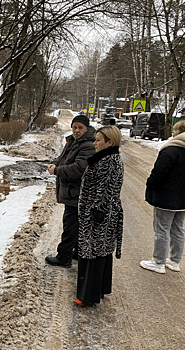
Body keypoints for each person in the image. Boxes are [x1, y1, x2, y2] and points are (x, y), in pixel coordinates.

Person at [140, 120, 185, 274]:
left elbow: (158, 174)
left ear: (180, 132)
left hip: (166, 197)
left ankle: (158, 262)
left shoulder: (171, 150)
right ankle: (174, 261)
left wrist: (150, 185)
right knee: (178, 228)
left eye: (174, 130)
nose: (172, 133)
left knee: (161, 229)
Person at [75, 126, 124, 307]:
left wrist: (97, 211)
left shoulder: (108, 161)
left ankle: (88, 296)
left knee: (93, 252)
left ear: (109, 142)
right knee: (101, 250)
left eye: (98, 140)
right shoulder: (107, 158)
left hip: (98, 213)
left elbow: (106, 190)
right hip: (99, 211)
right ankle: (99, 289)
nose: (94, 143)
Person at [45, 114, 96, 268]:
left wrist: (57, 170)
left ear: (87, 128)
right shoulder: (73, 141)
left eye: (80, 127)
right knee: (76, 225)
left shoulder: (87, 145)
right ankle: (77, 253)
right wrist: (54, 164)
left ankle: (64, 257)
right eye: (74, 127)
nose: (76, 130)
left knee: (70, 225)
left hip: (77, 193)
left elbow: (80, 169)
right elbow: (63, 158)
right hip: (72, 192)